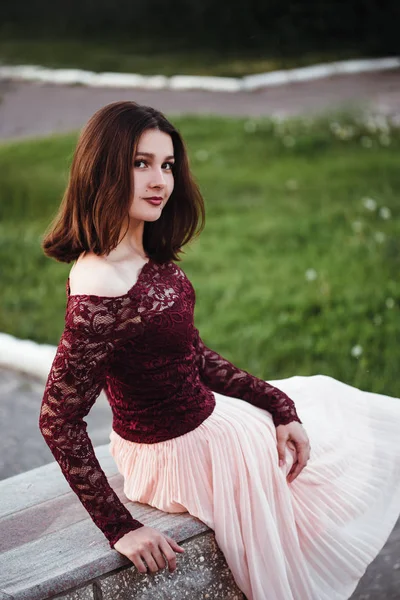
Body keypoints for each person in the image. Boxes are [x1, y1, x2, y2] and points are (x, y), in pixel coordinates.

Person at [39, 101, 400, 600]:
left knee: (324, 402)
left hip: (202, 422)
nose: (159, 180)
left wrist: (275, 403)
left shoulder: (143, 252)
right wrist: (121, 528)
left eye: (166, 165)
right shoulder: (100, 284)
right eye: (140, 163)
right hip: (177, 454)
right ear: (103, 168)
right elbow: (58, 418)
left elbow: (194, 354)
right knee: (337, 443)